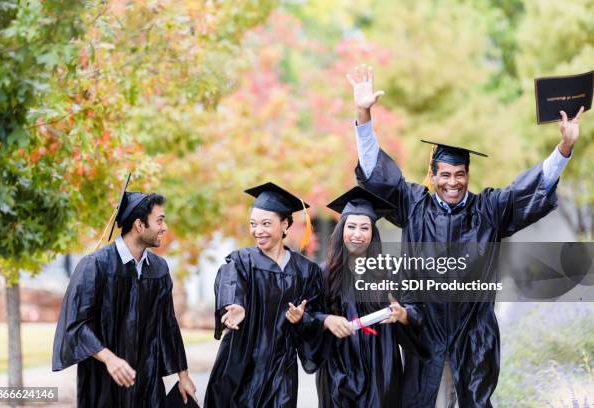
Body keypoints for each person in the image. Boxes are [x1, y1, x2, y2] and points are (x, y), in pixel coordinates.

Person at [346, 65, 586, 407]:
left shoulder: (489, 210)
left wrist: (563, 148)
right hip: (423, 336)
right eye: (445, 174)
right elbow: (378, 176)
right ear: (432, 174)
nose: (453, 182)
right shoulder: (414, 205)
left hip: (473, 338)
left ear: (468, 174)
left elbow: (528, 187)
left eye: (460, 174)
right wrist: (364, 114)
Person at [52, 186, 197, 407]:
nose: (164, 228)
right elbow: (76, 325)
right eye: (159, 221)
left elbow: (168, 324)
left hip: (147, 380)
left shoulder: (158, 269)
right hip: (104, 382)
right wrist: (109, 358)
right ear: (139, 225)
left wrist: (183, 376)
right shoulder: (96, 266)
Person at [204, 182, 326, 408]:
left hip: (281, 368)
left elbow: (316, 313)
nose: (257, 231)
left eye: (266, 224)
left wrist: (302, 319)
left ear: (285, 224)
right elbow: (229, 280)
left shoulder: (306, 271)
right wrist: (235, 303)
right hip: (241, 364)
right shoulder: (242, 261)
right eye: (253, 224)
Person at [314, 185, 428, 407]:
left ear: (372, 234)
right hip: (338, 371)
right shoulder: (323, 274)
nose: (357, 234)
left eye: (364, 228)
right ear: (341, 230)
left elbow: (417, 311)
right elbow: (310, 317)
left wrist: (403, 314)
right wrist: (326, 320)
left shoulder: (391, 272)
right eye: (352, 227)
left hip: (381, 368)